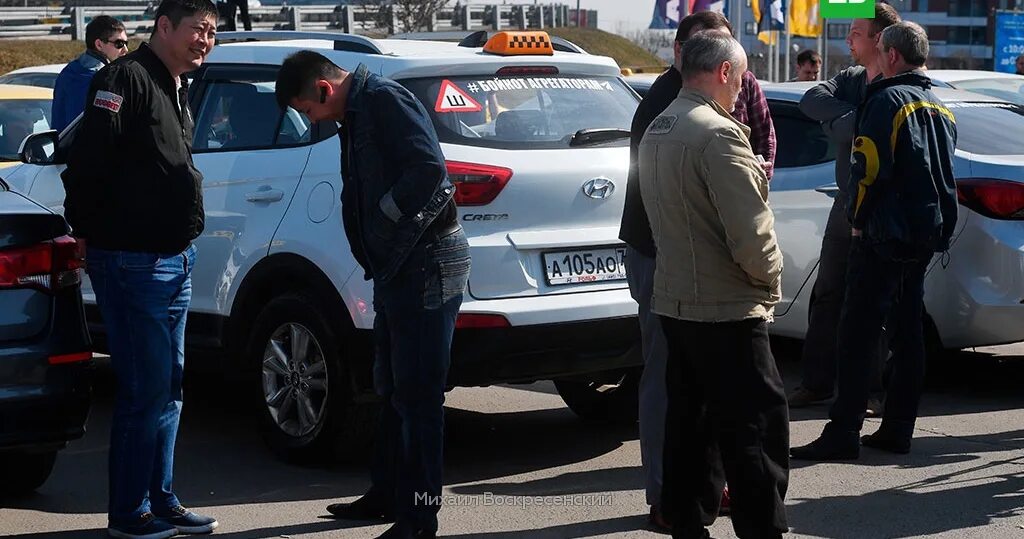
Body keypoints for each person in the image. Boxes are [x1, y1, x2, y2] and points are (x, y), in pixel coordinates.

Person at [275, 51, 469, 539]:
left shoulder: (383, 100)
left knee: (419, 394)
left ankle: (420, 516)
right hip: (397, 266)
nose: (314, 122)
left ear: (323, 89)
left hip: (427, 261)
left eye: (310, 111)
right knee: (391, 386)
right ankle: (387, 494)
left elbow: (428, 171)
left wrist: (380, 219)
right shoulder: (356, 110)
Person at [60, 0, 220, 537]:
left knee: (169, 387)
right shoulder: (123, 78)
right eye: (199, 29)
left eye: (213, 32)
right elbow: (88, 160)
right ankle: (130, 513)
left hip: (175, 258)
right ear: (165, 27)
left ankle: (162, 499)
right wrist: (81, 225)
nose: (206, 40)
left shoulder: (177, 84)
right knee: (144, 389)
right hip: (132, 262)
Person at [618, 10, 776, 532]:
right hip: (724, 304)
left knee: (688, 423)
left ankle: (684, 512)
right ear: (725, 73)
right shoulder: (718, 134)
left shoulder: (660, 120)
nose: (742, 93)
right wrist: (768, 281)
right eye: (740, 80)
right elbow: (751, 235)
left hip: (677, 296)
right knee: (753, 429)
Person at [791, 21, 958, 461]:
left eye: (880, 48)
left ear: (893, 57)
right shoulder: (940, 105)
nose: (875, 55)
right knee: (907, 333)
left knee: (857, 332)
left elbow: (867, 168)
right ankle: (899, 428)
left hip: (882, 234)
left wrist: (859, 220)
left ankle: (843, 432)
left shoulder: (885, 100)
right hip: (923, 236)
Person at [789, 3, 901, 413]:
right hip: (845, 203)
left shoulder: (898, 84)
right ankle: (816, 383)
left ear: (879, 39)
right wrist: (856, 120)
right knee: (828, 294)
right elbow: (812, 100)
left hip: (882, 208)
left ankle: (870, 389)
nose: (847, 40)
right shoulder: (852, 79)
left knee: (873, 301)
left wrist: (848, 124)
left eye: (855, 32)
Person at [51, 15, 128, 133]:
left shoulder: (68, 71)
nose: (125, 49)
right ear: (99, 44)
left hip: (63, 148)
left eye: (126, 43)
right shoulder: (103, 79)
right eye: (119, 43)